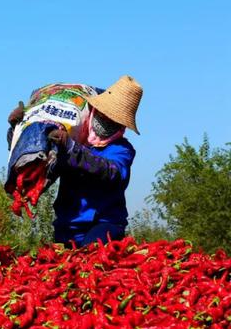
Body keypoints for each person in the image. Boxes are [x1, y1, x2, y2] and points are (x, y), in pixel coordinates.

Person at [8, 75, 143, 247]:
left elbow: (111, 172)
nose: (106, 121)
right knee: (62, 270)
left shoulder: (121, 149)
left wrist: (71, 147)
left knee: (89, 264)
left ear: (121, 124)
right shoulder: (75, 136)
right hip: (67, 224)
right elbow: (39, 162)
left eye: (114, 119)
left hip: (103, 225)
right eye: (103, 114)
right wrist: (17, 129)